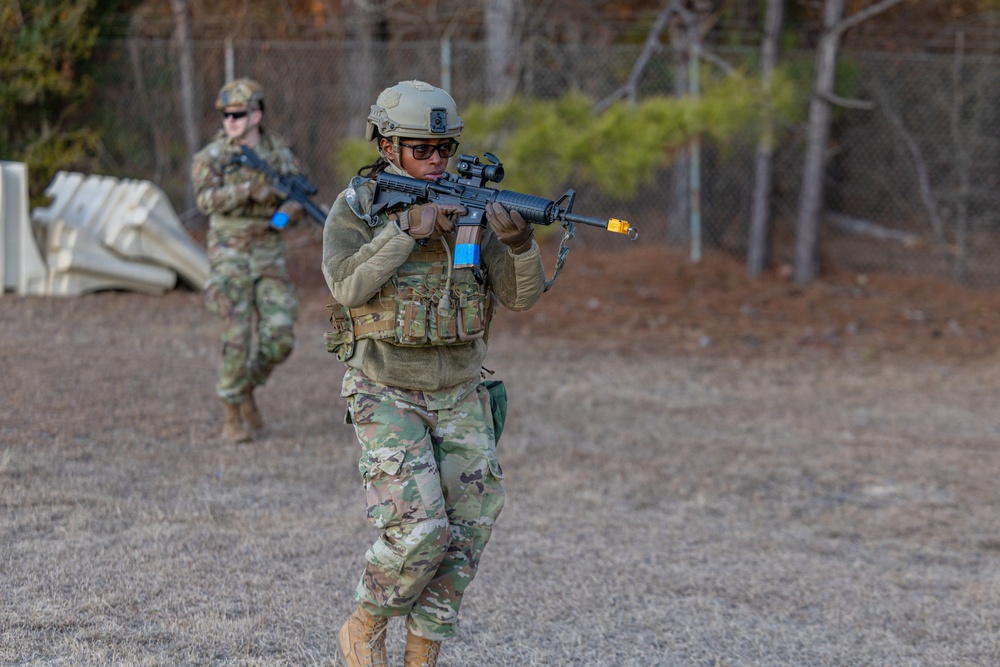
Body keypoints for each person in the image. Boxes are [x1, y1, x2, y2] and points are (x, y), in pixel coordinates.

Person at [321, 80, 546, 667]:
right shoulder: (360, 206)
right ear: (388, 145)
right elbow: (345, 284)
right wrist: (404, 232)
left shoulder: (470, 207)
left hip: (461, 389)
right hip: (385, 387)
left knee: (468, 528)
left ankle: (423, 651)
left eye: (445, 148)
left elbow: (518, 298)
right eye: (423, 149)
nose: (437, 161)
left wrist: (520, 246)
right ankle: (365, 625)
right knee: (419, 531)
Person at [191, 78, 306, 443]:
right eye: (226, 115)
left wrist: (290, 209)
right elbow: (205, 201)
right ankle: (232, 412)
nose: (230, 121)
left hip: (269, 253)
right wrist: (248, 191)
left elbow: (297, 196)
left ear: (256, 114)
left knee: (280, 336)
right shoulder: (212, 157)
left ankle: (248, 388)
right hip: (230, 254)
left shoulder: (280, 154)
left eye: (238, 114)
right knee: (236, 335)